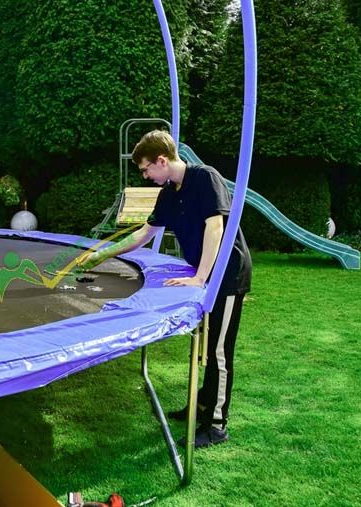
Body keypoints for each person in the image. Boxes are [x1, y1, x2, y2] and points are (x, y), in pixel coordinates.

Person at [77, 130, 252, 448]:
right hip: (207, 274)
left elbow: (216, 228)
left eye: (146, 169)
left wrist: (200, 278)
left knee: (218, 351)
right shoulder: (169, 193)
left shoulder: (205, 178)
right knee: (205, 348)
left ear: (161, 160)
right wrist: (102, 254)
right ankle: (200, 405)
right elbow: (143, 234)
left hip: (227, 274)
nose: (145, 176)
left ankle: (216, 424)